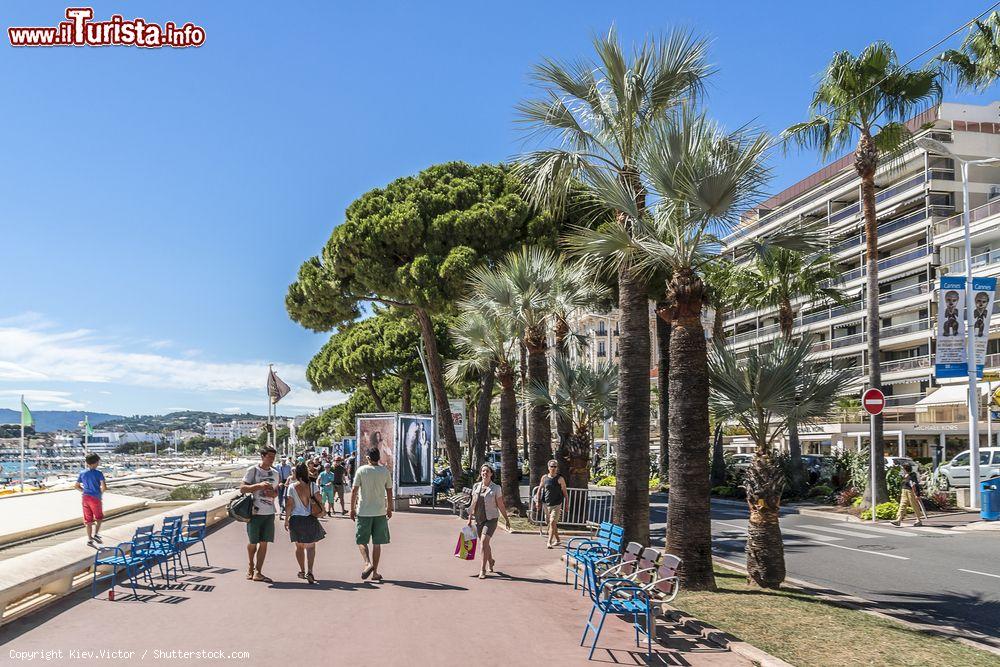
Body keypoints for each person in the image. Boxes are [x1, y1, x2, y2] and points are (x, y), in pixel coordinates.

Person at [351, 446, 393, 582]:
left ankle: (367, 563)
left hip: (364, 511)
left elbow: (354, 490)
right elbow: (389, 491)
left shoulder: (361, 471)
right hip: (380, 511)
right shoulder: (384, 471)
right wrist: (389, 508)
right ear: (378, 458)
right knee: (377, 543)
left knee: (361, 540)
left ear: (368, 458)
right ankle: (375, 572)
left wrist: (351, 509)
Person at [240, 446, 280, 582]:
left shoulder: (275, 473)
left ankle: (258, 571)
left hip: (269, 512)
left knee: (264, 543)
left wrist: (272, 494)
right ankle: (250, 565)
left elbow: (276, 493)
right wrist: (259, 486)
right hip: (254, 513)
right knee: (253, 542)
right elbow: (243, 489)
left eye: (273, 457)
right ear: (262, 456)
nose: (271, 460)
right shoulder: (253, 470)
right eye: (269, 457)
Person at [284, 462, 326, 584]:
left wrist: (286, 519)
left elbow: (289, 504)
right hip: (310, 518)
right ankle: (310, 571)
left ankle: (302, 570)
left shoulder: (292, 487)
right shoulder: (313, 486)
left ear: (296, 473)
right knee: (311, 547)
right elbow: (320, 500)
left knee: (299, 546)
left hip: (296, 519)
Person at [466, 464, 510, 579]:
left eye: (487, 471)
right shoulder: (476, 486)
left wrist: (506, 519)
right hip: (479, 519)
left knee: (484, 542)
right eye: (483, 471)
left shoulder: (496, 488)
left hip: (491, 519)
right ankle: (491, 560)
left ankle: (482, 570)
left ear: (491, 474)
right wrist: (470, 518)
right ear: (481, 473)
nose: (485, 473)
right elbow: (473, 503)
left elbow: (500, 504)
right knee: (485, 544)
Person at [75, 453, 107, 547]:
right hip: (95, 498)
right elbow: (104, 487)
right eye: (97, 462)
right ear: (95, 462)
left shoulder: (82, 473)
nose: (98, 463)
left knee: (88, 520)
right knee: (99, 517)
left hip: (85, 498)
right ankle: (96, 534)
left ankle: (89, 540)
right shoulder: (99, 473)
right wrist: (100, 493)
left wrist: (84, 491)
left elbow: (76, 486)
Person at [535, 459, 568, 548]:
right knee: (550, 523)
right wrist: (538, 502)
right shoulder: (544, 477)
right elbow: (539, 489)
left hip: (557, 504)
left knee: (553, 521)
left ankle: (549, 542)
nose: (553, 468)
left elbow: (565, 492)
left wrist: (567, 504)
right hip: (546, 503)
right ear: (548, 467)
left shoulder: (560, 479)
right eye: (551, 466)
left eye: (555, 466)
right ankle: (557, 539)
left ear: (557, 468)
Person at [891, 463, 924, 527]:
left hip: (910, 492)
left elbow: (914, 485)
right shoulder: (905, 475)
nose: (902, 470)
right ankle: (898, 520)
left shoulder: (912, 475)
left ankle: (919, 520)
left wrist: (917, 495)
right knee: (902, 505)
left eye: (903, 469)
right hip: (904, 491)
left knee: (914, 505)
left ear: (905, 469)